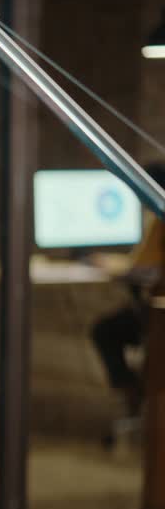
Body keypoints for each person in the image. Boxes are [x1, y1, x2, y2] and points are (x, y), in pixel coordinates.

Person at [90, 163, 165, 416]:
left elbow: (142, 269)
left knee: (103, 331)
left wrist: (112, 267)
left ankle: (136, 395)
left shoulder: (160, 216)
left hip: (157, 316)